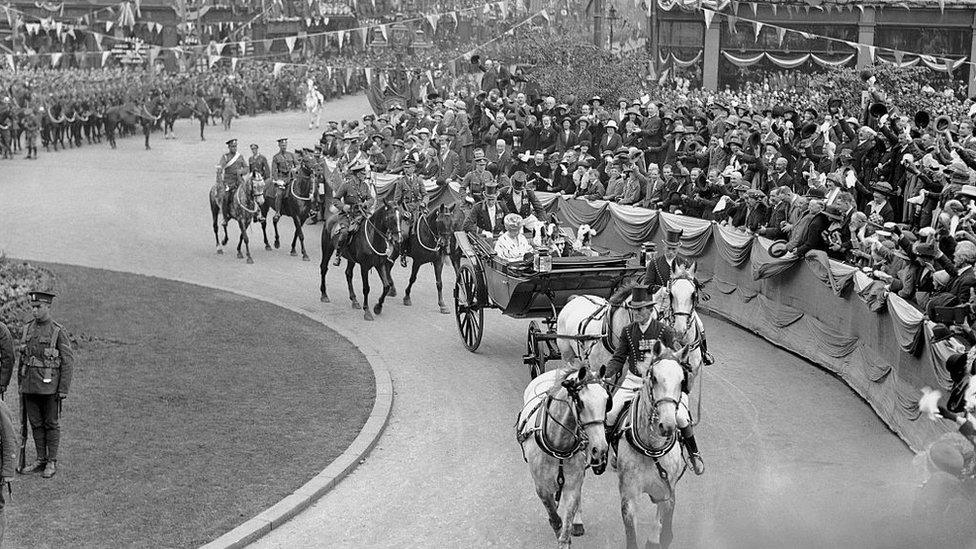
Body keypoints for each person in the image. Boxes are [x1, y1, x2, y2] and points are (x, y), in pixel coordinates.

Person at [604, 284, 705, 475]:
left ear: (650, 309)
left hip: (662, 386)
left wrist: (686, 372)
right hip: (634, 380)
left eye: (639, 310)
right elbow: (618, 357)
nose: (635, 314)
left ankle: (694, 453)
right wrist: (607, 375)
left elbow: (677, 356)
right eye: (633, 310)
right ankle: (608, 452)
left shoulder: (664, 331)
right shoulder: (627, 331)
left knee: (681, 417)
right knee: (611, 413)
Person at [17, 291, 73, 479]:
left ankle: (52, 461)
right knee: (36, 423)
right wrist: (20, 384)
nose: (34, 311)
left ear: (48, 307)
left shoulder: (57, 331)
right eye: (33, 307)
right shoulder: (27, 329)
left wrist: (63, 389)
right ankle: (41, 458)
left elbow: (67, 361)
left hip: (49, 387)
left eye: (38, 307)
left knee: (51, 423)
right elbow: (23, 359)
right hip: (30, 386)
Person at [331, 158, 375, 266]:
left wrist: (366, 204)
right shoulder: (346, 185)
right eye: (362, 173)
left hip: (361, 214)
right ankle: (338, 254)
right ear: (357, 174)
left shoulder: (365, 185)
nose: (364, 175)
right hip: (347, 215)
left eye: (364, 173)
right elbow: (335, 199)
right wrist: (343, 206)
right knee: (345, 232)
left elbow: (371, 199)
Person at [392, 155, 428, 267]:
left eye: (409, 167)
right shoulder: (400, 182)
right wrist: (403, 212)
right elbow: (396, 201)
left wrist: (424, 203)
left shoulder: (419, 180)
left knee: (429, 226)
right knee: (405, 233)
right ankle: (403, 254)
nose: (406, 169)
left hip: (418, 209)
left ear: (414, 168)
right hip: (406, 210)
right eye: (405, 167)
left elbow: (425, 195)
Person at [216, 139, 248, 226]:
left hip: (239, 181)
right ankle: (225, 216)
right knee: (226, 197)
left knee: (251, 192)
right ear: (229, 147)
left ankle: (256, 213)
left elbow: (246, 168)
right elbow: (221, 167)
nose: (234, 148)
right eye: (232, 147)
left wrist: (241, 171)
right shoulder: (225, 157)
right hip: (229, 182)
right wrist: (219, 170)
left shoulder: (240, 157)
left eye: (235, 146)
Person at [271, 138, 299, 222]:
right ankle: (278, 212)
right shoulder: (276, 157)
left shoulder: (291, 155)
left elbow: (298, 164)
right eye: (282, 145)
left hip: (291, 177)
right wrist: (277, 180)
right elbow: (274, 170)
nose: (284, 147)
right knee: (279, 194)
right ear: (279, 145)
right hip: (281, 178)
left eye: (285, 145)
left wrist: (295, 169)